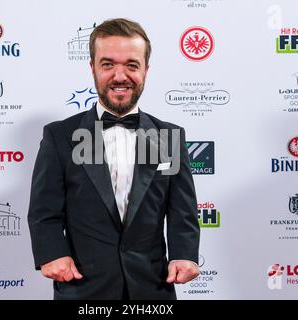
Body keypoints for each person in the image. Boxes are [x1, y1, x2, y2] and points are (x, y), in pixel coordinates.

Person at [28, 18, 200, 300]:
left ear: (146, 69)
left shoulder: (168, 136)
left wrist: (185, 255)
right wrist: (53, 254)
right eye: (108, 64)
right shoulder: (61, 136)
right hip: (82, 287)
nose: (120, 76)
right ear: (92, 67)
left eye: (132, 65)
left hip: (152, 289)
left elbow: (182, 211)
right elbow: (43, 211)